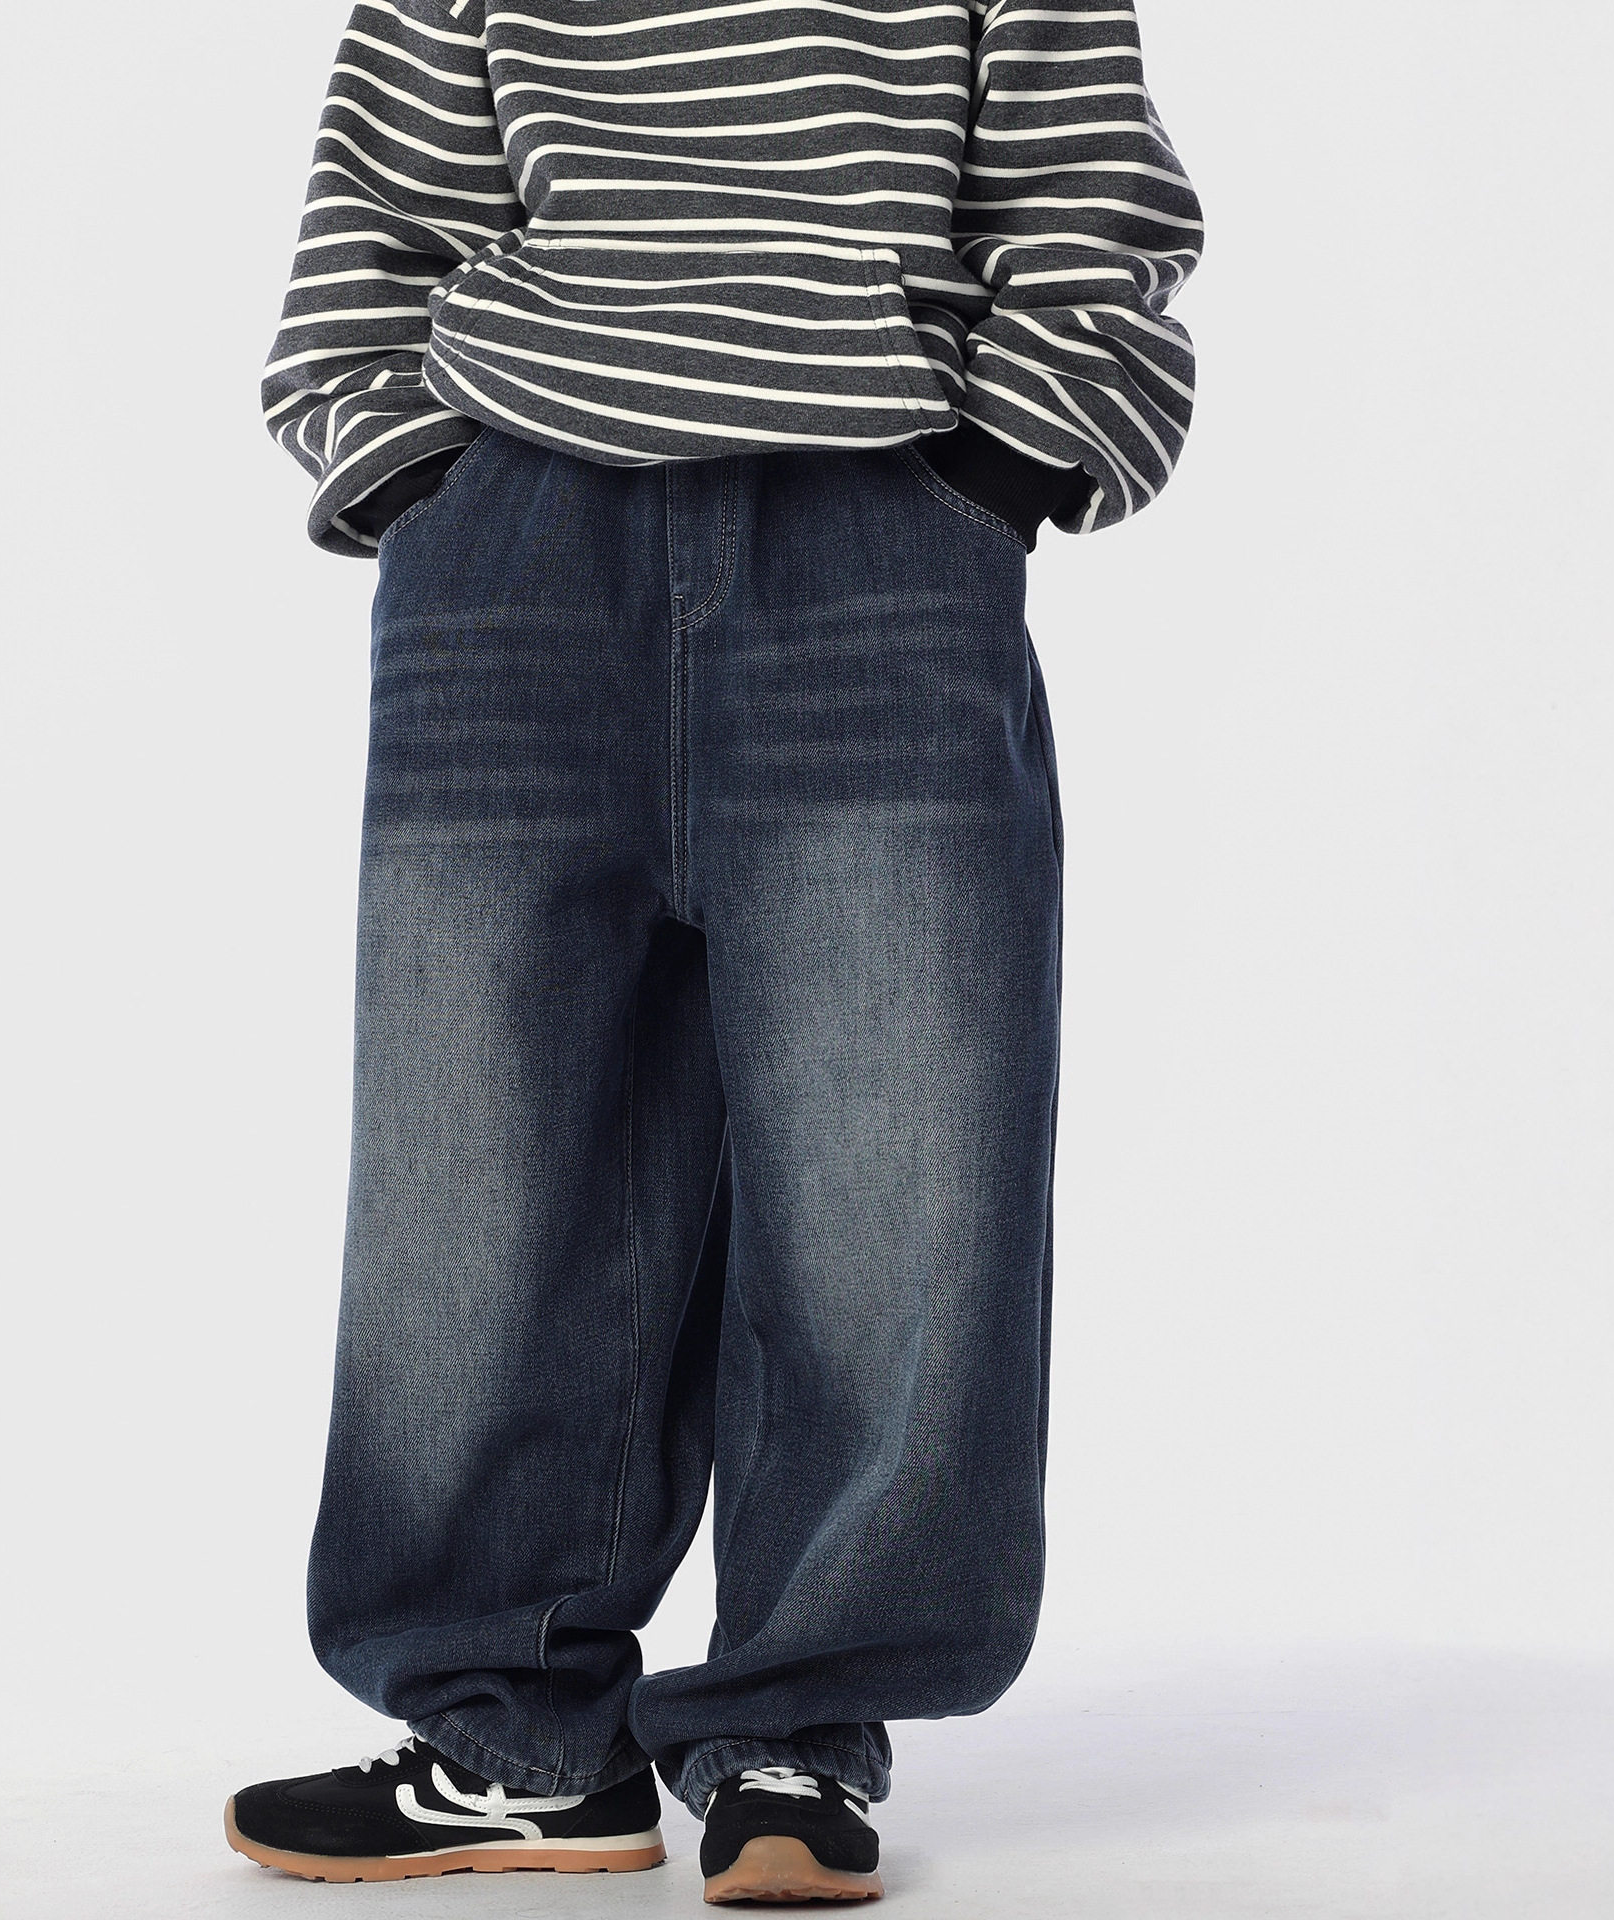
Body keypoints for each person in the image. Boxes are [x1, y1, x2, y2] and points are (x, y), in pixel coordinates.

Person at [227, 0, 1200, 1900]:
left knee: (893, 1174)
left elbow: (1089, 191)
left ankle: (796, 1734)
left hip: (875, 520)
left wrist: (999, 470)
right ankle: (510, 1742)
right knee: (471, 1173)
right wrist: (413, 470)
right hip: (515, 534)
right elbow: (381, 198)